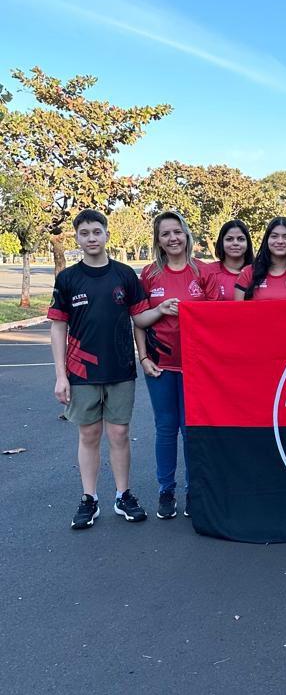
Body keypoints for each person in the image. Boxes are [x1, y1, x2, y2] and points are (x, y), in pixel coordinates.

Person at [48, 208, 176, 530]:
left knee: (119, 433)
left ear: (106, 234)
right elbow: (57, 327)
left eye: (96, 232)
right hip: (81, 372)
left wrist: (159, 309)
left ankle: (123, 495)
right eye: (85, 233)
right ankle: (89, 499)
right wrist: (61, 376)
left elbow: (139, 320)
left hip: (120, 368)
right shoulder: (67, 279)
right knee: (89, 434)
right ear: (77, 238)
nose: (91, 238)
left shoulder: (124, 275)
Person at [135, 210, 220, 520]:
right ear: (158, 240)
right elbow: (138, 320)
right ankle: (166, 490)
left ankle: (193, 489)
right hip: (161, 365)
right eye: (166, 233)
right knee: (166, 428)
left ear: (187, 234)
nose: (173, 238)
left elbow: (218, 320)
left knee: (192, 430)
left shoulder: (204, 272)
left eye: (177, 232)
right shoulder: (148, 274)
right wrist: (143, 357)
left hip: (196, 367)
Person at [235, 217, 286, 300]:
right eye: (274, 236)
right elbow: (238, 311)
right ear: (267, 240)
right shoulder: (248, 273)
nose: (280, 241)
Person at [210, 219, 254, 299]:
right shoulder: (208, 272)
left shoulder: (258, 272)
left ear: (248, 243)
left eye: (241, 239)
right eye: (229, 239)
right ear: (221, 242)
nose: (235, 243)